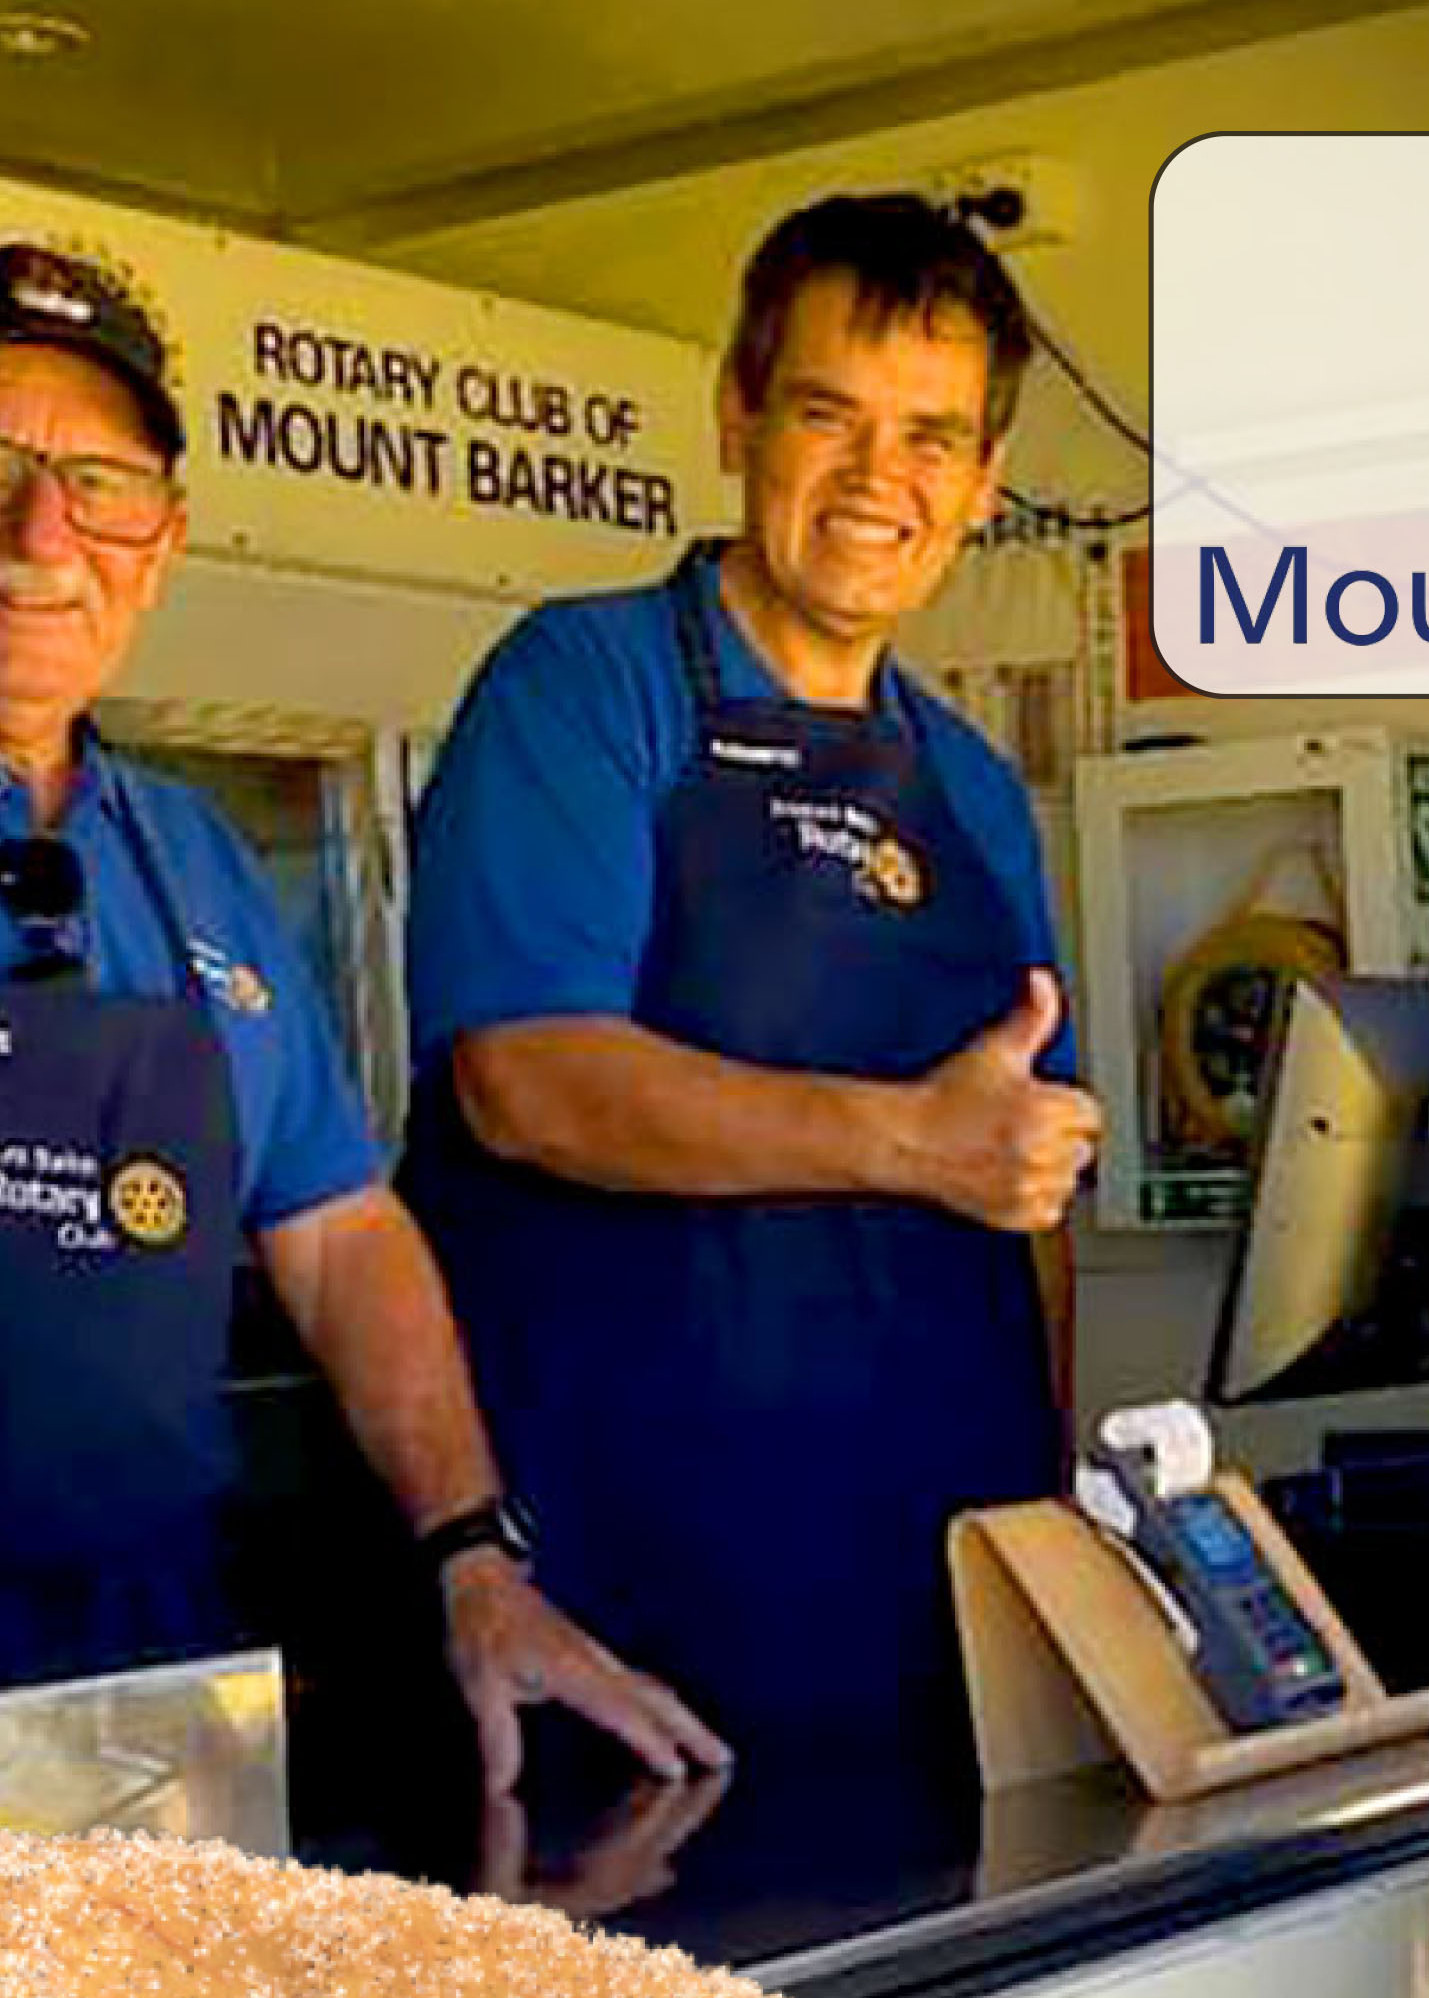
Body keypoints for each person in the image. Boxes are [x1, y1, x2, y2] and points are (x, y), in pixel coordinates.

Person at [0, 243, 720, 1791]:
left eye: (104, 484)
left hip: (164, 1703)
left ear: (162, 540)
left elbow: (340, 1231)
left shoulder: (188, 858)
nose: (46, 533)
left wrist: (475, 1554)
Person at [400, 191, 1100, 1773]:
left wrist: (1055, 1533)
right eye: (828, 413)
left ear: (985, 484)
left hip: (933, 1613)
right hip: (627, 1621)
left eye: (932, 438)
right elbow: (525, 1079)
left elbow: (1025, 1191)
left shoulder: (978, 791)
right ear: (736, 410)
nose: (879, 479)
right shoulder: (582, 691)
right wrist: (910, 1140)